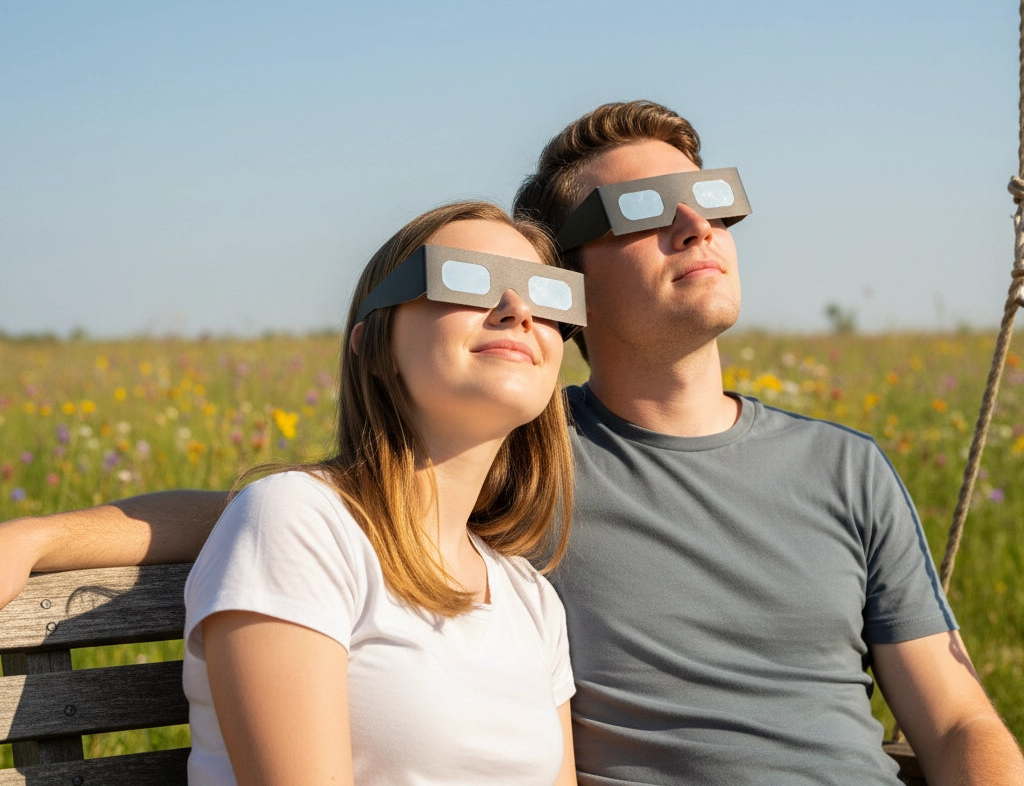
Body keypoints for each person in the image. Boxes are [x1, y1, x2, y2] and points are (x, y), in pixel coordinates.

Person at [3, 102, 1022, 786]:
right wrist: (47, 535)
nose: (695, 227)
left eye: (712, 201)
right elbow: (311, 512)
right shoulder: (523, 478)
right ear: (574, 292)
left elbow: (958, 720)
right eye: (638, 211)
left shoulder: (841, 470)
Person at [125, 200, 586, 785]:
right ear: (374, 346)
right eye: (465, 278)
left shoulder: (529, 599)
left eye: (546, 294)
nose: (517, 308)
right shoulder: (298, 522)